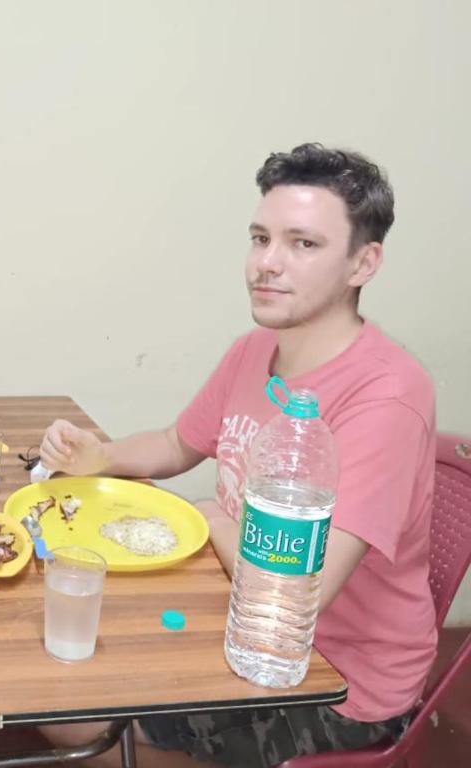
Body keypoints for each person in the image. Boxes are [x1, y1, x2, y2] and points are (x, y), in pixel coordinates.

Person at [38, 144, 436, 767]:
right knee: (61, 700)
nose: (267, 264)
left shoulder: (387, 396)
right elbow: (177, 443)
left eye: (303, 245)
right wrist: (100, 456)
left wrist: (216, 520)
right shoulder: (256, 348)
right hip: (233, 612)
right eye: (260, 238)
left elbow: (295, 593)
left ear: (364, 262)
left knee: (88, 736)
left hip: (333, 675)